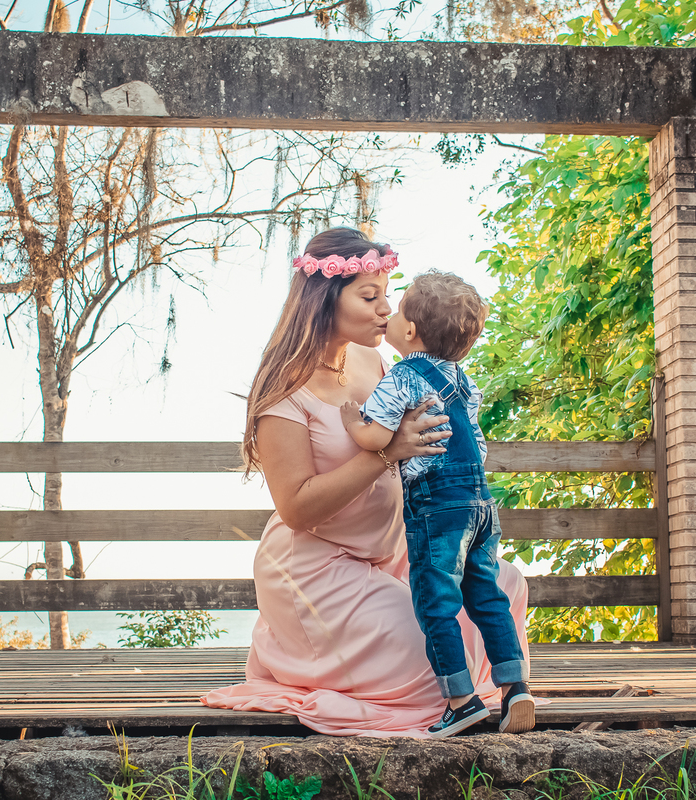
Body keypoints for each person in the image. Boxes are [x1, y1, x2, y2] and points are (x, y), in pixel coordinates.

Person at [202, 228, 532, 737]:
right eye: (369, 296)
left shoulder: (374, 361)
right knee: (430, 652)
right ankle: (303, 650)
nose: (386, 310)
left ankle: (505, 693)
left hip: (392, 551)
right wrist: (388, 452)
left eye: (388, 296)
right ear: (324, 300)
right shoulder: (284, 389)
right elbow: (297, 508)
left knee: (505, 586)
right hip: (317, 566)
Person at [339, 270, 535, 737]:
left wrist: (352, 421)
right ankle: (515, 689)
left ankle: (461, 700)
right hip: (481, 504)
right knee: (487, 596)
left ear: (409, 331)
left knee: (435, 604)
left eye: (397, 306)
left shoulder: (405, 375)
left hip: (438, 508)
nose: (388, 311)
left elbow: (378, 436)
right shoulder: (461, 381)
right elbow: (480, 447)